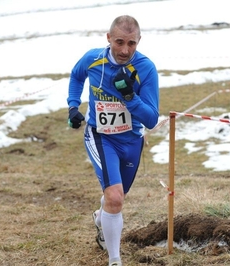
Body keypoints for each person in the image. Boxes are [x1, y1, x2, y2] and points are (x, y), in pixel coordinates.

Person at [67, 15, 159, 266]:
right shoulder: (93, 59)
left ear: (139, 41)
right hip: (100, 135)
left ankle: (100, 216)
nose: (125, 50)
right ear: (108, 39)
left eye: (132, 44)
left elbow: (151, 119)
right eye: (119, 42)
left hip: (130, 141)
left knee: (115, 198)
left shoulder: (145, 68)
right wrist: (73, 106)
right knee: (115, 198)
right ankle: (115, 260)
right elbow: (76, 77)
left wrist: (130, 96)